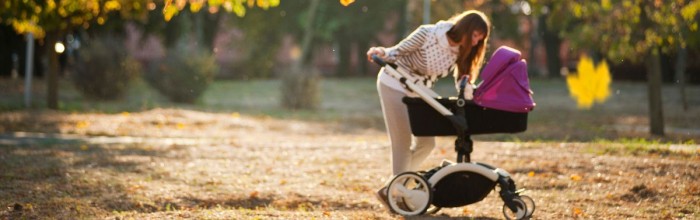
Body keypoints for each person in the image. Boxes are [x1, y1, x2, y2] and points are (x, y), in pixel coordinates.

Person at [366, 10, 491, 210]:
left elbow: (463, 80)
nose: (476, 42)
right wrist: (380, 52)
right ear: (466, 28)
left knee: (427, 143)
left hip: (419, 90)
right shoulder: (429, 34)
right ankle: (395, 198)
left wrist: (471, 95)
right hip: (394, 83)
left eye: (480, 39)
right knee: (402, 143)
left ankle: (392, 188)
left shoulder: (462, 51)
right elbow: (396, 51)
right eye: (476, 35)